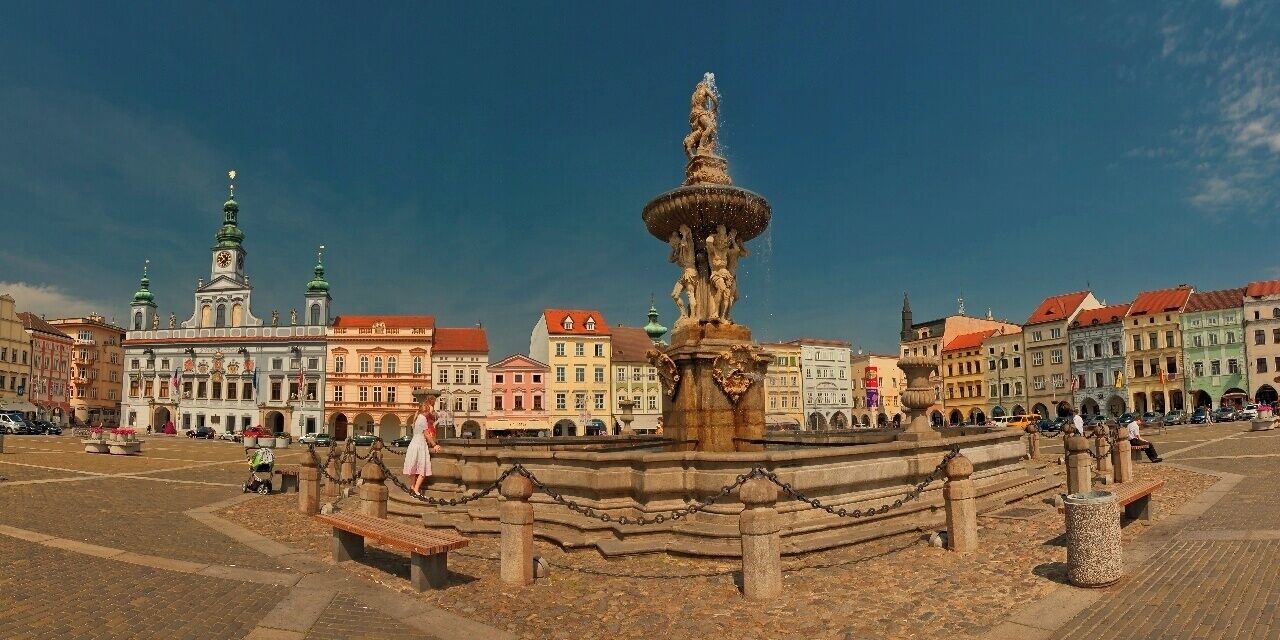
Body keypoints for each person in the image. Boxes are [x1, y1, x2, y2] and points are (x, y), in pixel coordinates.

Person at [403, 396, 442, 495]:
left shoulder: (416, 418)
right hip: (420, 444)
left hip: (413, 444)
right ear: (426, 411)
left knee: (413, 467)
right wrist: (434, 445)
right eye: (428, 411)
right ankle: (416, 490)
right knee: (422, 470)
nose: (429, 413)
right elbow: (427, 434)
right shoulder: (423, 418)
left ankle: (412, 487)